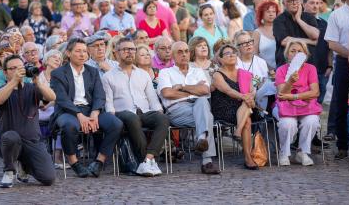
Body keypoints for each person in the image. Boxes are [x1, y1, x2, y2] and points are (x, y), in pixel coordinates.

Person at [49, 38, 123, 178]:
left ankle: (99, 162)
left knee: (116, 123)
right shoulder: (58, 73)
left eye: (84, 51)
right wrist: (79, 115)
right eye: (78, 51)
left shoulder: (93, 72)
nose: (82, 54)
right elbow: (62, 99)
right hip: (68, 112)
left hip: (90, 110)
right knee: (69, 126)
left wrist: (95, 113)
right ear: (68, 53)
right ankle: (74, 163)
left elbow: (100, 96)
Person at [102, 38, 169, 176]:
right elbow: (108, 103)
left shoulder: (143, 74)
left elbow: (152, 99)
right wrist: (113, 118)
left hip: (143, 112)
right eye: (125, 49)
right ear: (116, 53)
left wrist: (159, 111)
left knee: (162, 118)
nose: (129, 52)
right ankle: (148, 161)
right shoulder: (108, 76)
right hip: (122, 113)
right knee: (132, 118)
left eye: (132, 49)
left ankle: (147, 160)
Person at [157, 41, 219, 174]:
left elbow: (205, 91)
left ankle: (202, 139)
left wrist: (182, 87)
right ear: (173, 55)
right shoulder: (165, 72)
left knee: (202, 102)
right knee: (208, 117)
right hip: (177, 111)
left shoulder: (197, 71)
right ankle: (207, 161)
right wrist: (194, 90)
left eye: (186, 51)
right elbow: (167, 93)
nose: (184, 54)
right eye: (180, 52)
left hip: (198, 105)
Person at [0, 54, 56, 188]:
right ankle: (9, 171)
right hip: (10, 142)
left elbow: (52, 97)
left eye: (21, 68)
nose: (18, 71)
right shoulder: (3, 89)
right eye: (13, 68)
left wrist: (38, 82)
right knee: (11, 137)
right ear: (5, 72)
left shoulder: (32, 88)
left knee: (49, 178)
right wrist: (14, 81)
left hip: (33, 141)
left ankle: (25, 165)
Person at [211, 43, 259, 170]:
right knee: (247, 113)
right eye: (227, 53)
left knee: (247, 116)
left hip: (243, 107)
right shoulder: (217, 75)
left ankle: (239, 134)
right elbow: (228, 91)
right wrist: (246, 98)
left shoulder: (244, 74)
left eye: (233, 53)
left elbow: (251, 91)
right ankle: (248, 158)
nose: (231, 55)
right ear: (220, 59)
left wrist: (250, 97)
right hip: (224, 108)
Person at [274, 40, 321, 166]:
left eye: (299, 51)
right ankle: (284, 152)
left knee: (312, 121)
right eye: (292, 51)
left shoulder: (311, 69)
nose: (296, 54)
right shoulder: (281, 70)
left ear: (305, 54)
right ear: (287, 54)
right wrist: (289, 82)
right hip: (285, 106)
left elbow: (315, 92)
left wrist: (294, 96)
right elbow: (282, 95)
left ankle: (302, 152)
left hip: (306, 105)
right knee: (287, 123)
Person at [324, 0, 349, 159]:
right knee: (341, 104)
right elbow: (332, 43)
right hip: (344, 63)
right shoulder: (337, 15)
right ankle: (342, 145)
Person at [273, 0, 319, 68]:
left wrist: (298, 19)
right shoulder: (278, 20)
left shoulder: (309, 17)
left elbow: (315, 35)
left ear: (301, 0)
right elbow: (284, 41)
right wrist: (310, 41)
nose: (294, 3)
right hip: (286, 66)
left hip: (308, 66)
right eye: (290, 1)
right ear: (283, 3)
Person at [303, 0, 332, 104]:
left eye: (317, 3)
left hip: (322, 71)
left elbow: (329, 46)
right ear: (304, 3)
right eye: (312, 3)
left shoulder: (324, 24)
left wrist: (330, 65)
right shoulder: (298, 22)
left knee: (317, 105)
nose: (315, 6)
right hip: (303, 71)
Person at [235, 31, 276, 110]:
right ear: (237, 47)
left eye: (250, 41)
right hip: (242, 99)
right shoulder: (235, 63)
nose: (248, 44)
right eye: (244, 43)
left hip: (260, 98)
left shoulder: (261, 62)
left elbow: (264, 82)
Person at [253, 0, 279, 70]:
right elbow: (254, 54)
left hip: (282, 71)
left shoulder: (282, 30)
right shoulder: (257, 33)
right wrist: (268, 68)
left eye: (274, 12)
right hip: (264, 71)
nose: (271, 14)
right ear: (262, 14)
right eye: (268, 12)